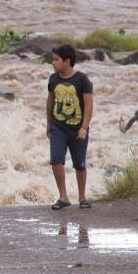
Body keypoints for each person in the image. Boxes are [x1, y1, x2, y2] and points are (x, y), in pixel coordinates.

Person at [47, 44, 94, 210]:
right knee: (56, 160)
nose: (52, 63)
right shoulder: (53, 79)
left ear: (67, 62)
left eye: (56, 60)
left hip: (78, 128)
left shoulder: (82, 80)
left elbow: (88, 106)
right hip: (58, 127)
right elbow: (50, 102)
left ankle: (82, 197)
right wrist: (49, 124)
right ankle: (63, 196)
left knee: (79, 164)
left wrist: (84, 127)